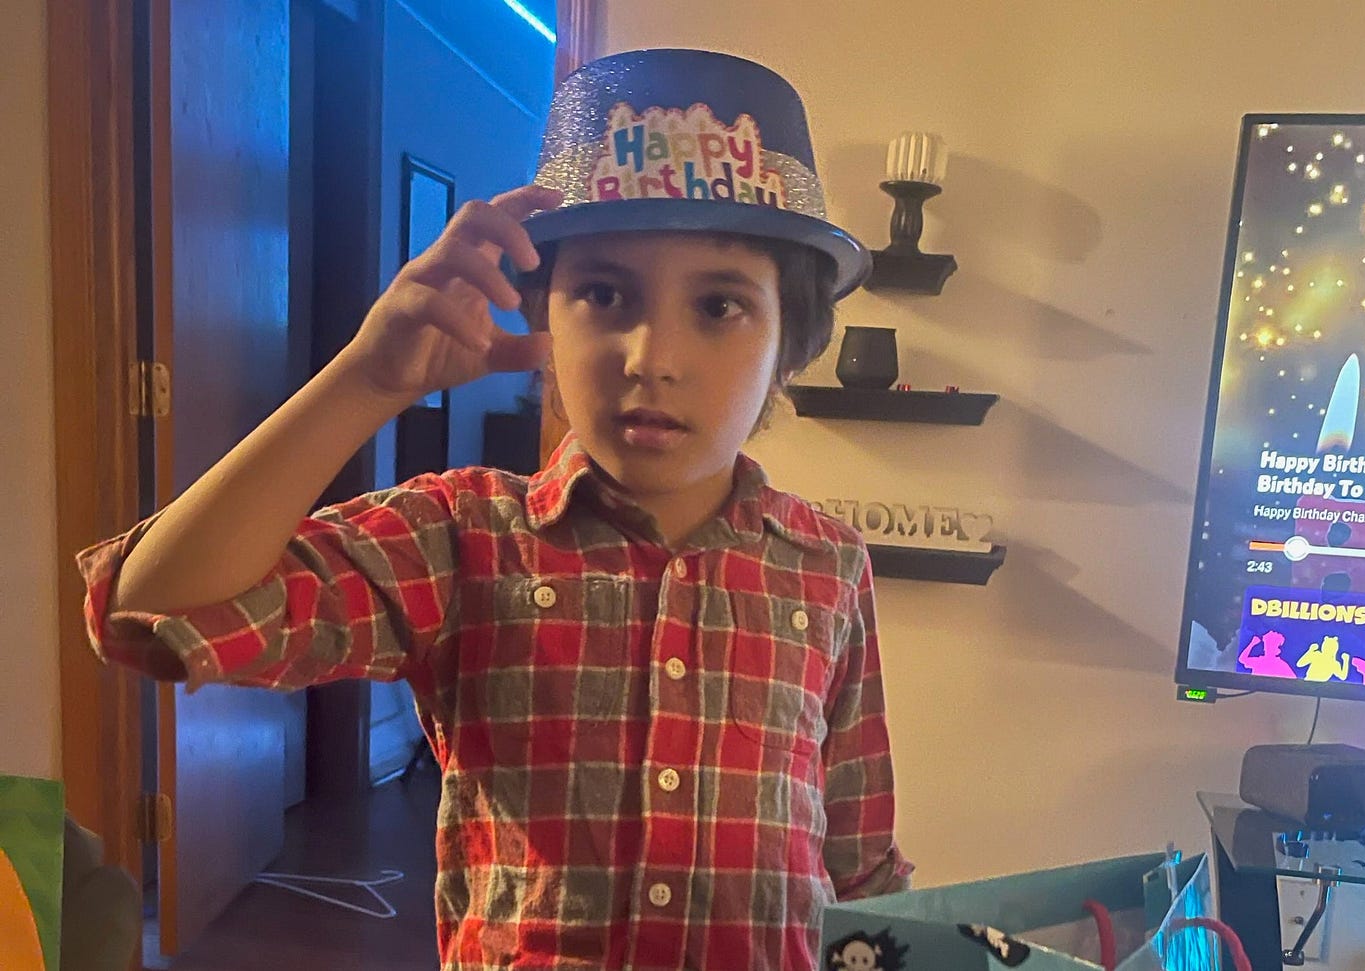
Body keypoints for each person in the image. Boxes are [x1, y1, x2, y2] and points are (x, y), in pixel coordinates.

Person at [77, 48, 912, 970]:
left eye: (719, 305)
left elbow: (860, 859)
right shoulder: (465, 536)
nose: (651, 355)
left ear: (787, 346)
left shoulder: (826, 563)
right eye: (602, 293)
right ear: (543, 311)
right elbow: (153, 606)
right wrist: (362, 382)